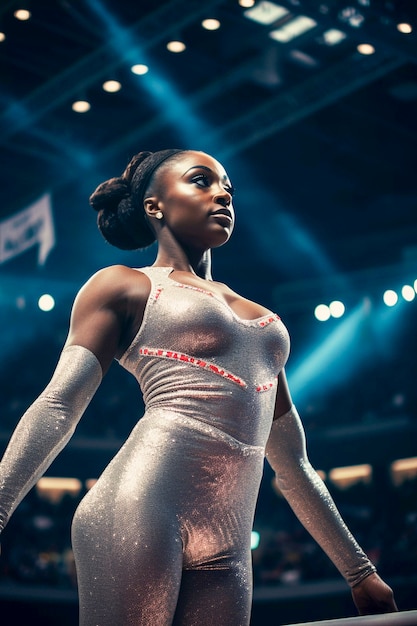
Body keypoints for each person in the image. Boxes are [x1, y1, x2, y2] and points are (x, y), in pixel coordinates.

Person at [0, 149, 397, 625]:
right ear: (155, 206)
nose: (223, 192)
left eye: (227, 184)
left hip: (230, 539)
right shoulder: (124, 285)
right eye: (201, 181)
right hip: (137, 507)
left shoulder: (264, 321)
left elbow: (292, 463)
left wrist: (359, 572)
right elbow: (59, 404)